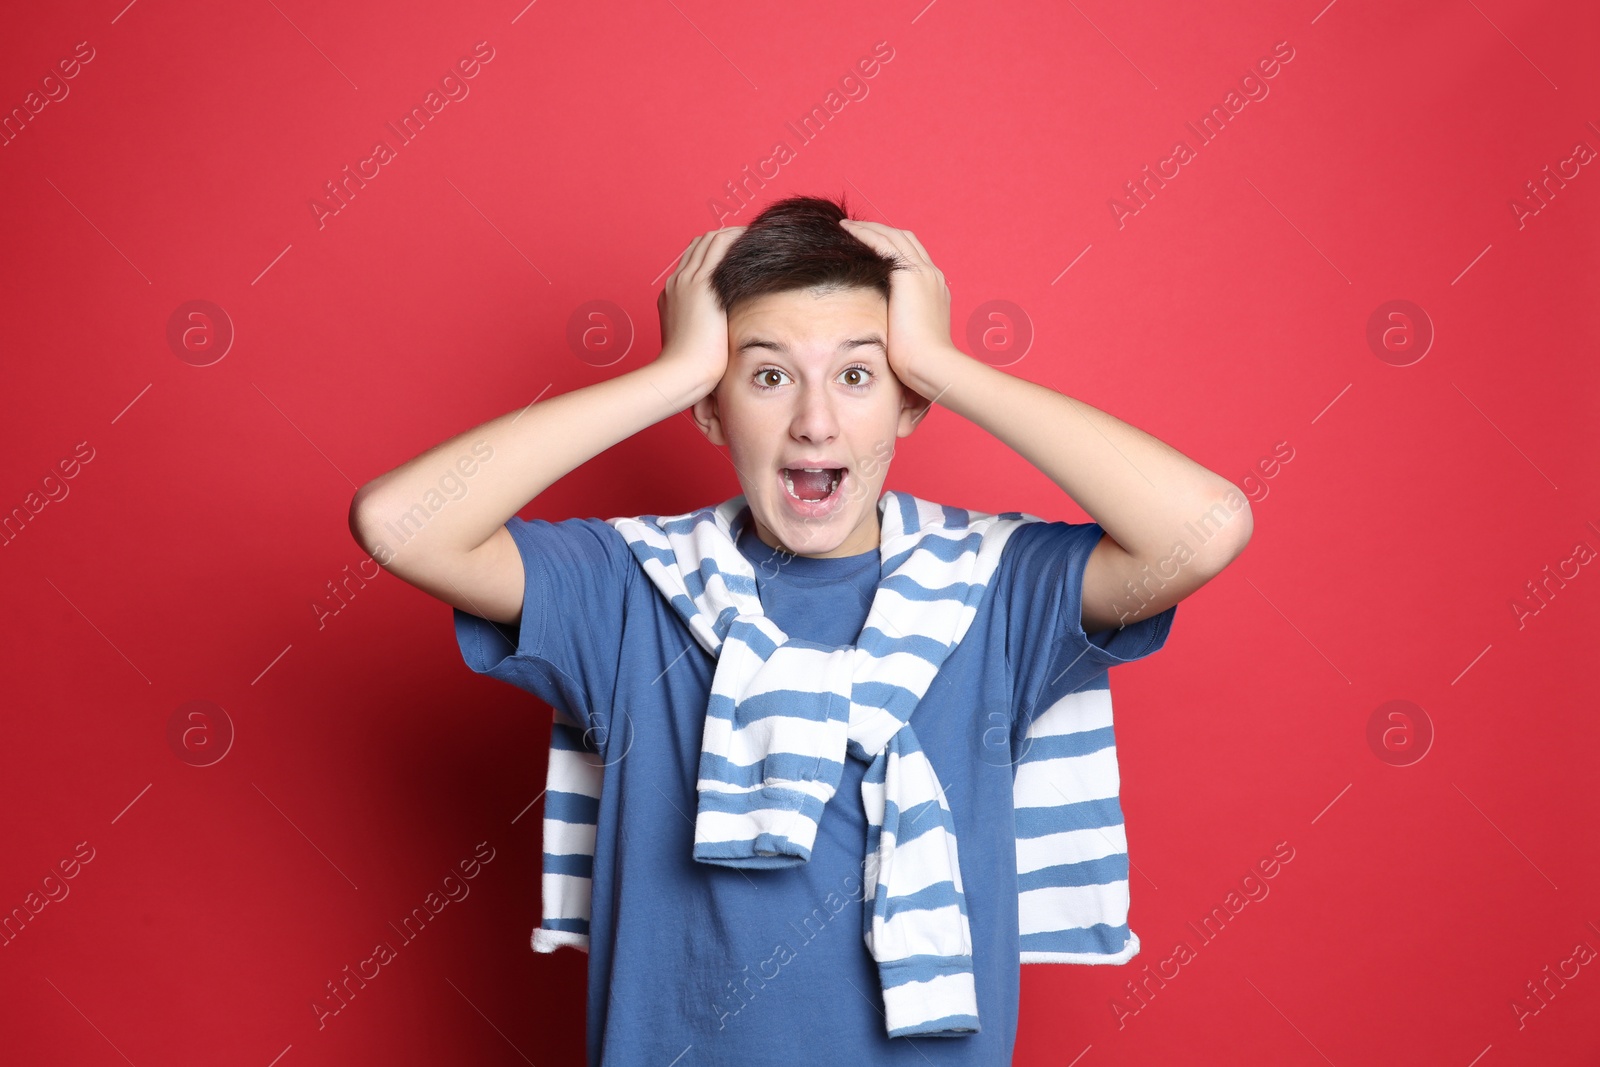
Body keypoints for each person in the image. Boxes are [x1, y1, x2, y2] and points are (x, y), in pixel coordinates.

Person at [348, 195, 1251, 1065]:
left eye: (858, 376)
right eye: (768, 375)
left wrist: (942, 362)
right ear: (712, 405)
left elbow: (1206, 527)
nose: (815, 421)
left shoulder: (996, 590)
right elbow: (399, 522)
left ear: (909, 404)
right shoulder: (630, 590)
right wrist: (668, 373)